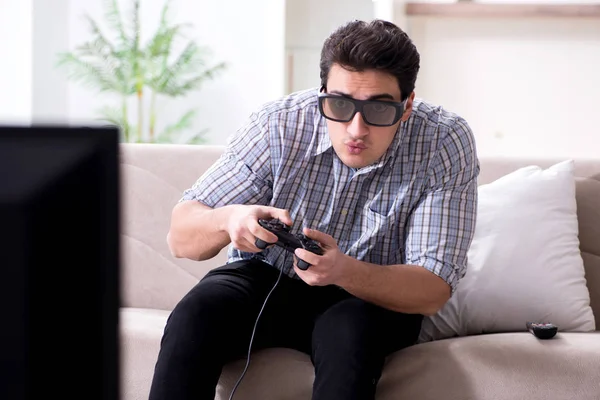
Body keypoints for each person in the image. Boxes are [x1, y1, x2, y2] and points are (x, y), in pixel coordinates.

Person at [148, 18, 479, 400]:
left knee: (347, 331)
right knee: (198, 312)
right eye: (339, 104)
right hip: (267, 278)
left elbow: (432, 288)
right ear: (322, 91)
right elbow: (180, 237)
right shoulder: (280, 124)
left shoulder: (443, 140)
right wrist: (229, 219)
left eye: (379, 110)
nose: (356, 129)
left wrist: (344, 270)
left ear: (407, 106)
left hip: (373, 295)